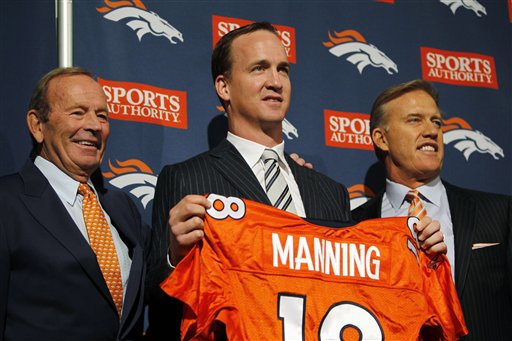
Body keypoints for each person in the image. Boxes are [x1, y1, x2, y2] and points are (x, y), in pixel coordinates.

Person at [146, 22, 354, 338]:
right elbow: (162, 316)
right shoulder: (186, 179)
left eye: (283, 70)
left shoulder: (330, 193)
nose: (275, 82)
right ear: (224, 87)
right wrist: (175, 259)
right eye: (259, 69)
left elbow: (357, 296)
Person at [352, 79, 512, 340]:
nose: (431, 131)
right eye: (415, 120)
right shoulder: (354, 226)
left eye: (436, 122)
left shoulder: (500, 213)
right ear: (381, 139)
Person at [0, 67, 149, 340]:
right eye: (78, 112)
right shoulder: (6, 203)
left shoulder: (123, 206)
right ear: (37, 125)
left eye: (102, 115)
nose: (94, 125)